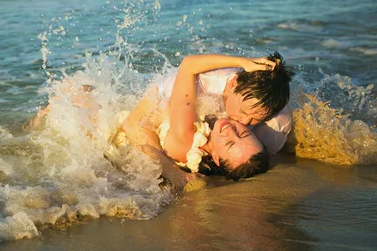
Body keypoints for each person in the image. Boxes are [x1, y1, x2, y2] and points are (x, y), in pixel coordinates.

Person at [121, 52, 293, 182]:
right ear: (233, 85)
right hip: (172, 93)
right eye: (244, 112)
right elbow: (188, 65)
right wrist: (242, 61)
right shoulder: (206, 82)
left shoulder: (275, 122)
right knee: (133, 126)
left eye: (256, 119)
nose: (245, 122)